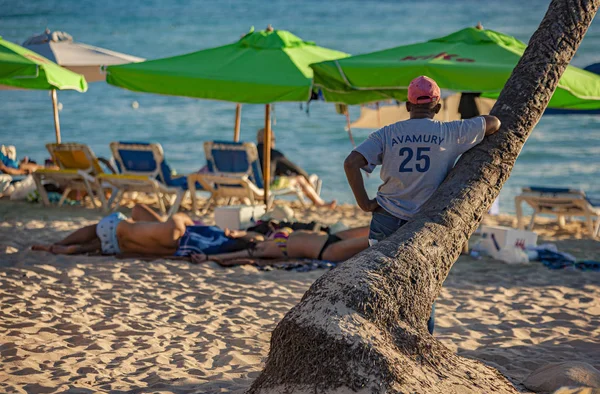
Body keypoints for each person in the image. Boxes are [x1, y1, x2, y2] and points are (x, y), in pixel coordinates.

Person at [344, 76, 501, 334]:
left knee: (381, 285)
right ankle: (421, 341)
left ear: (408, 106)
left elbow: (351, 163)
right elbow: (494, 123)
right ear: (437, 107)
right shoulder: (450, 132)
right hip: (423, 224)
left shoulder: (387, 133)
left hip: (385, 219)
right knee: (424, 290)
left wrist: (364, 203)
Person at [31, 204, 260, 257]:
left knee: (133, 210)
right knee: (103, 241)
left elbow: (179, 219)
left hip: (172, 232)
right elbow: (255, 241)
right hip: (126, 246)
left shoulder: (225, 235)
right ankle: (71, 248)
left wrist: (185, 217)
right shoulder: (220, 248)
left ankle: (59, 244)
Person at [190, 225, 369, 264]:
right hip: (326, 250)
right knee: (374, 241)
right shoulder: (258, 249)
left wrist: (240, 232)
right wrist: (208, 257)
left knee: (378, 224)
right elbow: (234, 256)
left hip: (330, 237)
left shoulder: (263, 239)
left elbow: (253, 234)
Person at [256, 128, 336, 209]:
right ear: (269, 140)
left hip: (253, 184)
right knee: (300, 179)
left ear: (258, 139)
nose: (274, 142)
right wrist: (307, 178)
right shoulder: (274, 154)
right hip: (267, 185)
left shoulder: (252, 152)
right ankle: (319, 202)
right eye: (273, 139)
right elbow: (295, 169)